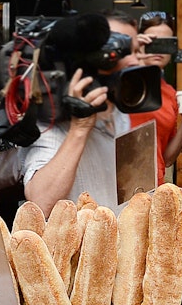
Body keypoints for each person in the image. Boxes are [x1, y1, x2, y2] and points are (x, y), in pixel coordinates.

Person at [19, 12, 136, 214]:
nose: (134, 59)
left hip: (117, 240)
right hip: (78, 244)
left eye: (135, 49)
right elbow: (40, 203)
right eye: (119, 48)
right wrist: (79, 129)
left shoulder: (120, 113)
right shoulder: (52, 123)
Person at [129, 11, 182, 179]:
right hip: (114, 187)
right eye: (152, 42)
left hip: (153, 187)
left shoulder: (170, 93)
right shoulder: (120, 80)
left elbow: (168, 159)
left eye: (165, 44)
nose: (159, 50)